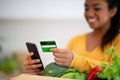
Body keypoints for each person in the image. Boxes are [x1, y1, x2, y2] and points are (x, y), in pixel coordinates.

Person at [24, 0, 120, 75]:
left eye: (97, 8)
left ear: (112, 11)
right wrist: (38, 72)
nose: (89, 14)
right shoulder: (75, 40)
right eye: (86, 9)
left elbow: (115, 70)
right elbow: (64, 73)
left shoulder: (118, 40)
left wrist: (75, 60)